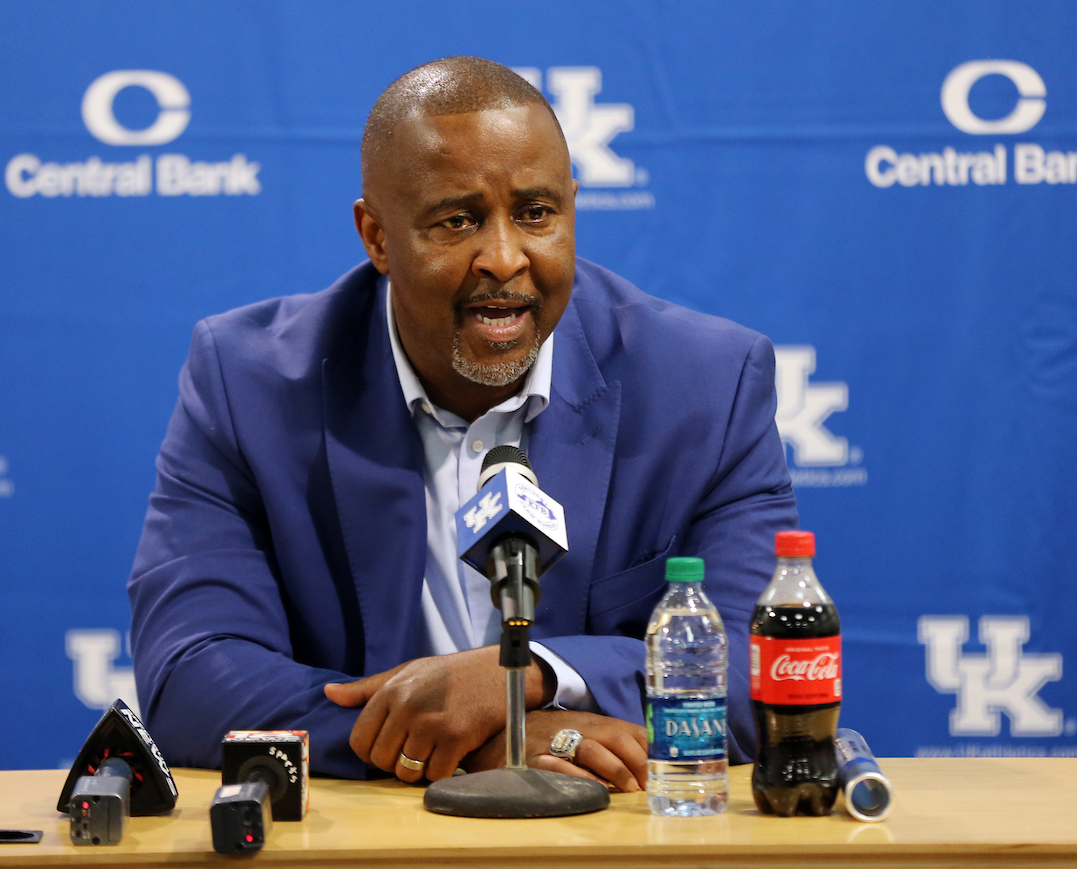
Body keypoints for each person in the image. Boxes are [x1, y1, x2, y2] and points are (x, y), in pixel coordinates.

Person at [128, 56, 797, 792]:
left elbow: (763, 678)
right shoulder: (247, 384)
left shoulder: (707, 384)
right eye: (458, 220)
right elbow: (190, 677)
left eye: (537, 214)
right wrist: (474, 741)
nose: (506, 258)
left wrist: (535, 679)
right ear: (377, 237)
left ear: (571, 208)